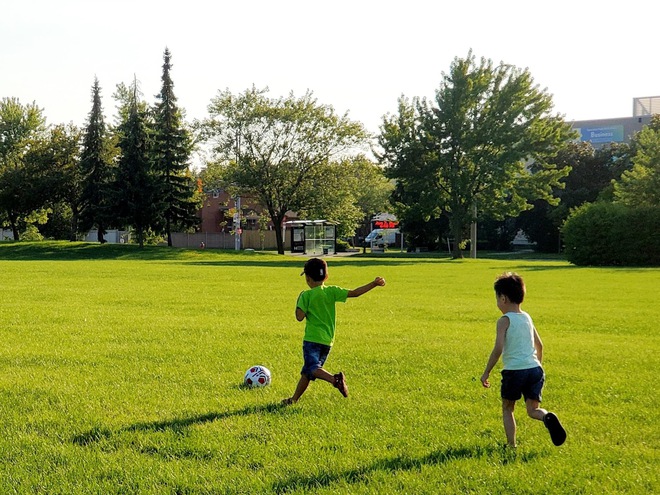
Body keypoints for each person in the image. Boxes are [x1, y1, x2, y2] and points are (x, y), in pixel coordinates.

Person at [282, 257, 385, 405]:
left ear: (308, 278)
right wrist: (374, 284)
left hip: (312, 340)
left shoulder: (306, 295)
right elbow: (355, 293)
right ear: (326, 276)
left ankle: (334, 380)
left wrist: (299, 302)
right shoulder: (332, 291)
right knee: (307, 372)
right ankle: (293, 400)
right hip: (327, 341)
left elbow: (299, 317)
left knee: (312, 368)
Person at [480, 272, 566, 448]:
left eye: (497, 299)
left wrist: (486, 372)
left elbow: (498, 349)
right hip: (534, 369)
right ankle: (546, 416)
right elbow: (539, 345)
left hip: (514, 371)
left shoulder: (504, 320)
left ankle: (511, 445)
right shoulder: (526, 317)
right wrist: (538, 366)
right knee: (532, 410)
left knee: (508, 408)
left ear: (503, 298)